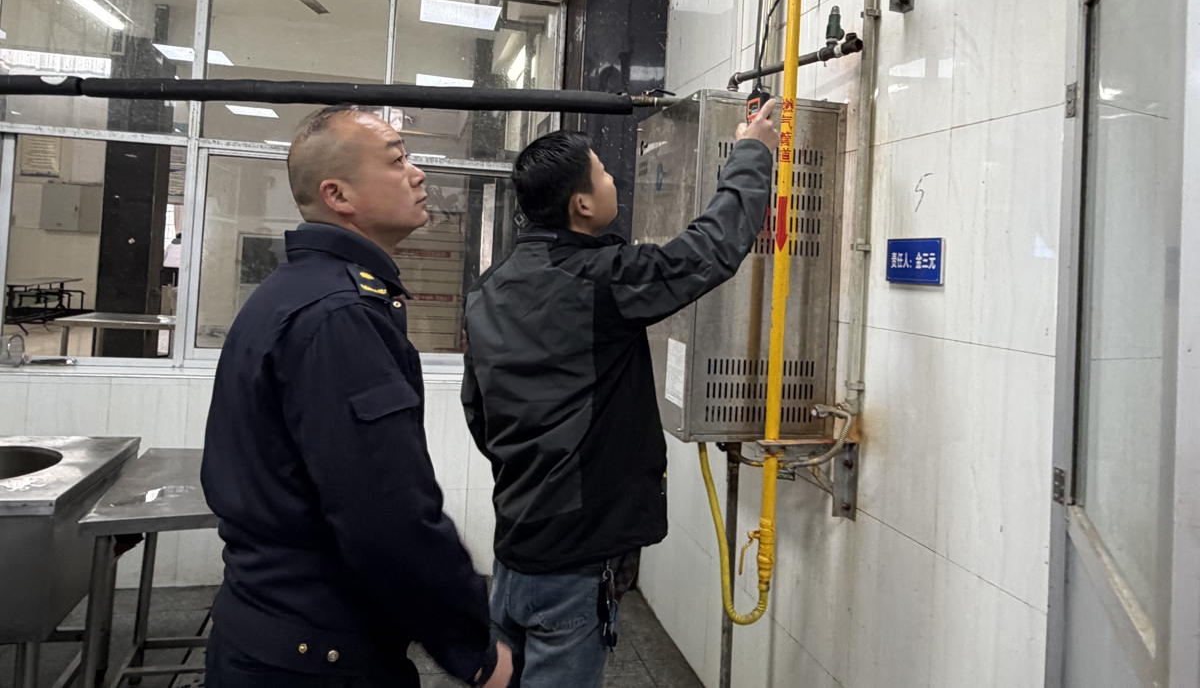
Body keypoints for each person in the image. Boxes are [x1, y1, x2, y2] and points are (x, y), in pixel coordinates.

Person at [461, 99, 780, 687]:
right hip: (575, 555)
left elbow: (478, 411)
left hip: (515, 543)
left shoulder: (489, 288)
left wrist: (537, 469)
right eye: (605, 173)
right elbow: (708, 250)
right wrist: (753, 153)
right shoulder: (600, 279)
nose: (614, 181)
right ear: (581, 204)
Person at [201, 105, 512, 688]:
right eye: (397, 161)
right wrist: (473, 647)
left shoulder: (297, 292)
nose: (418, 173)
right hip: (315, 657)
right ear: (337, 195)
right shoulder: (339, 315)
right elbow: (386, 515)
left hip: (274, 632)